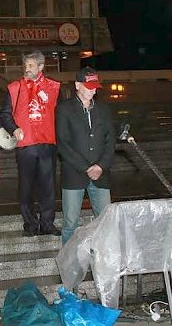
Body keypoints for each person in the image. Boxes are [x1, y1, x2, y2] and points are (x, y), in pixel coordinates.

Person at [0, 51, 61, 236]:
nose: (27, 69)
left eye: (31, 65)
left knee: (48, 186)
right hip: (25, 144)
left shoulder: (53, 87)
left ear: (41, 67)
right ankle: (30, 223)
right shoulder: (15, 88)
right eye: (26, 65)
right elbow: (5, 114)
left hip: (47, 142)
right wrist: (14, 128)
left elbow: (61, 113)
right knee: (26, 186)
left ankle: (48, 223)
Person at [56, 67, 115, 245]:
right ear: (77, 85)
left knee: (105, 222)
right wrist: (87, 167)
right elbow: (63, 143)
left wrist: (100, 166)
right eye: (88, 86)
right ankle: (69, 267)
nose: (93, 90)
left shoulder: (103, 110)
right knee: (70, 224)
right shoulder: (64, 109)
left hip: (101, 175)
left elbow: (110, 141)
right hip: (74, 174)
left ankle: (104, 261)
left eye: (95, 86)